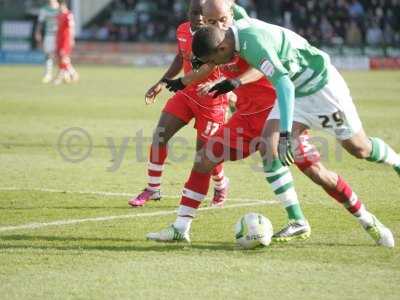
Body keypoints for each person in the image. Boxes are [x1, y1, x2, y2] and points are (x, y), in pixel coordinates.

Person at [189, 14, 397, 247]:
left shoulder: (252, 43)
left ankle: (395, 162)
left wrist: (286, 134)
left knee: (360, 149)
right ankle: (349, 220)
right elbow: (225, 7)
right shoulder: (234, 30)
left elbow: (284, 83)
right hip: (292, 95)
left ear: (223, 46)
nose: (219, 65)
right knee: (271, 146)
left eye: (216, 60)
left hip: (321, 89)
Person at [128, 0, 231, 208]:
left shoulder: (219, 37)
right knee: (160, 135)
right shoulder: (183, 30)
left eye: (203, 13)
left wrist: (219, 85)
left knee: (204, 156)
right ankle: (152, 188)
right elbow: (180, 57)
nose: (200, 18)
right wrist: (162, 82)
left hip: (213, 101)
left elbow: (225, 68)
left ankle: (221, 185)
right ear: (188, 13)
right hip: (187, 94)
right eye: (195, 13)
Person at [54, 0, 79, 85]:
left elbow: (72, 27)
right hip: (59, 40)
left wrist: (72, 39)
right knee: (61, 59)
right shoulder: (58, 16)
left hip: (66, 40)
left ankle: (63, 76)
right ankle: (69, 74)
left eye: (59, 6)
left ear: (63, 5)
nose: (58, 8)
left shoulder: (69, 15)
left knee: (63, 58)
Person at [35, 0, 59, 83]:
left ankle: (62, 74)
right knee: (48, 54)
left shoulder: (61, 8)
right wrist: (37, 32)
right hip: (49, 35)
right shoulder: (44, 9)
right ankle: (48, 74)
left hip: (59, 35)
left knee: (61, 55)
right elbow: (40, 22)